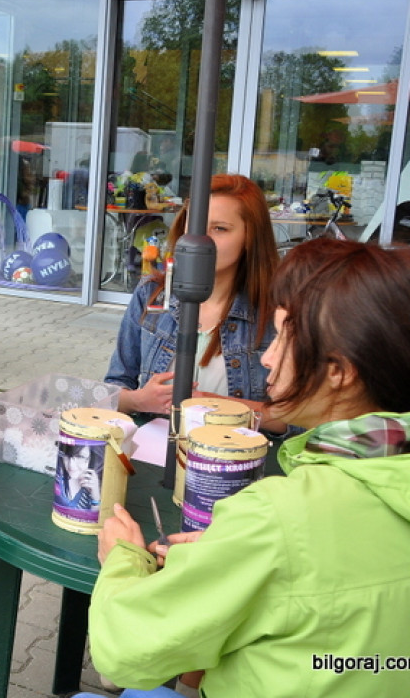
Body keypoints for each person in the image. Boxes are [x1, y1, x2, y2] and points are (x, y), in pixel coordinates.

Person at [77, 238, 410, 698]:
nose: (269, 356)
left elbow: (125, 656)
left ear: (339, 371)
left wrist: (122, 560)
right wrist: (240, 549)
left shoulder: (279, 515)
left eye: (286, 337)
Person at [104, 174, 286, 434]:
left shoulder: (277, 312)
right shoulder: (152, 294)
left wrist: (218, 407)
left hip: (232, 462)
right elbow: (113, 387)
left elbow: (298, 419)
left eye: (220, 228)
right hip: (153, 455)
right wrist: (139, 400)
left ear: (250, 237)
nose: (202, 239)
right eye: (196, 225)